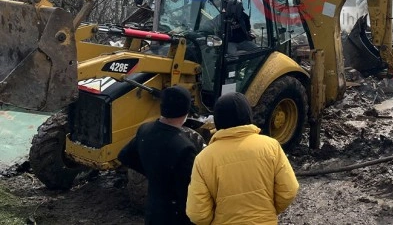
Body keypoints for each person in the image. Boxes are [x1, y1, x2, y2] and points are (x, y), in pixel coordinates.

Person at [186, 92, 299, 224]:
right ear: (248, 115)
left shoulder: (203, 159)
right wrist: (267, 212)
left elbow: (198, 214)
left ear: (217, 120)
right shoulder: (271, 146)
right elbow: (289, 190)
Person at [118, 85, 201, 225]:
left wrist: (152, 173)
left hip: (153, 209)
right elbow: (188, 192)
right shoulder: (185, 147)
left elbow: (125, 155)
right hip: (175, 216)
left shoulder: (145, 129)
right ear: (186, 111)